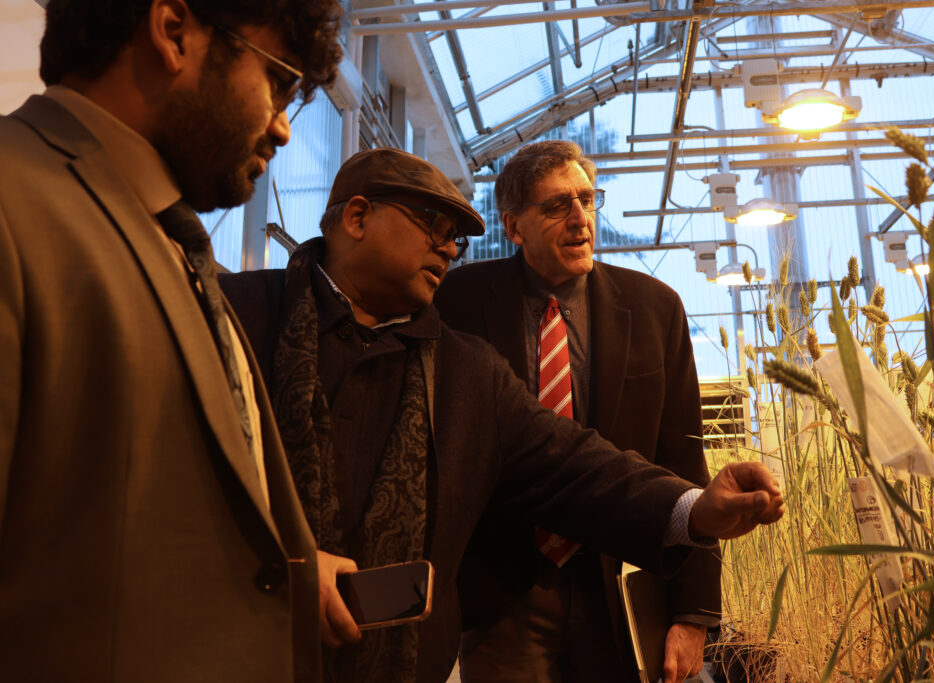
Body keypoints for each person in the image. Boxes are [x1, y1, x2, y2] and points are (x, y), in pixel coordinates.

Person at [219, 147, 784, 683]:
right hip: (238, 639)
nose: (449, 248)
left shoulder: (466, 370)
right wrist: (282, 559)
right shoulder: (234, 318)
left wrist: (695, 509)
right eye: (431, 226)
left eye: (457, 239)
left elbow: (576, 466)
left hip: (411, 657)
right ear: (359, 217)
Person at [0, 1, 341, 680]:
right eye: (278, 81)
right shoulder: (16, 204)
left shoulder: (171, 241)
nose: (281, 128)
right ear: (173, 32)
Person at [434, 140, 717, 683]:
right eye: (558, 205)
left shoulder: (655, 309)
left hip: (626, 586)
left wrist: (693, 613)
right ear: (513, 226)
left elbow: (684, 460)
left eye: (588, 201)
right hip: (502, 595)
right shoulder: (458, 303)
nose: (581, 219)